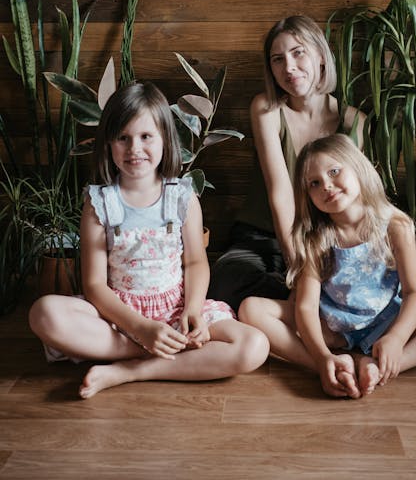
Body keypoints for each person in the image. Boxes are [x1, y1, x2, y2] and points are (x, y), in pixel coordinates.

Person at [29, 81, 269, 399]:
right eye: (123, 138)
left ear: (165, 140)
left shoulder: (182, 197)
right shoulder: (99, 203)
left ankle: (132, 370)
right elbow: (95, 286)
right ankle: (158, 351)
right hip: (119, 316)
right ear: (108, 144)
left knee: (255, 346)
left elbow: (196, 262)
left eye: (145, 137)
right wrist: (141, 329)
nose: (134, 149)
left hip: (176, 310)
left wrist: (193, 310)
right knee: (43, 313)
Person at [239, 134, 416, 399]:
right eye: (314, 183)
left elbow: (415, 293)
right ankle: (325, 366)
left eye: (334, 171)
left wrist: (397, 338)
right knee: (251, 308)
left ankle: (383, 366)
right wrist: (321, 354)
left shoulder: (395, 226)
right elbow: (306, 306)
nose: (327, 186)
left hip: (386, 320)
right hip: (332, 326)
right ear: (308, 195)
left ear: (358, 168)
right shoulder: (315, 238)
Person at [208, 15, 364, 312]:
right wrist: (298, 266)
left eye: (298, 52)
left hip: (325, 235)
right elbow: (280, 192)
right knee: (224, 282)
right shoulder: (266, 110)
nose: (289, 68)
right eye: (277, 59)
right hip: (262, 235)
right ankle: (306, 307)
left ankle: (292, 309)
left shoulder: (354, 122)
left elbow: (352, 199)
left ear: (320, 56)